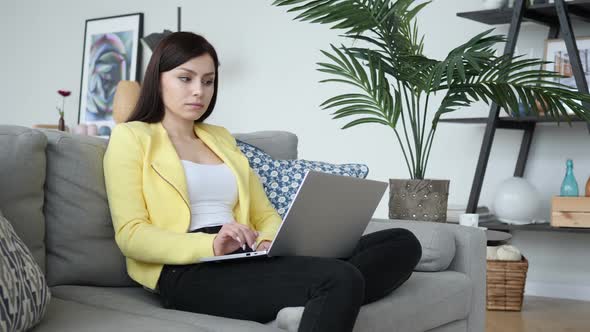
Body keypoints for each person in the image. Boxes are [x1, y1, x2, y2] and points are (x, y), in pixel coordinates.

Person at [103, 31, 422, 332]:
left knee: (401, 242)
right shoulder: (132, 137)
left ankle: (317, 298)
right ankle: (323, 293)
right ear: (157, 80)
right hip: (187, 269)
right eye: (185, 78)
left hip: (247, 254)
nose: (199, 90)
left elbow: (264, 214)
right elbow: (131, 235)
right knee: (340, 278)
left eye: (208, 81)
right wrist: (212, 244)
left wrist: (268, 241)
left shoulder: (220, 138)